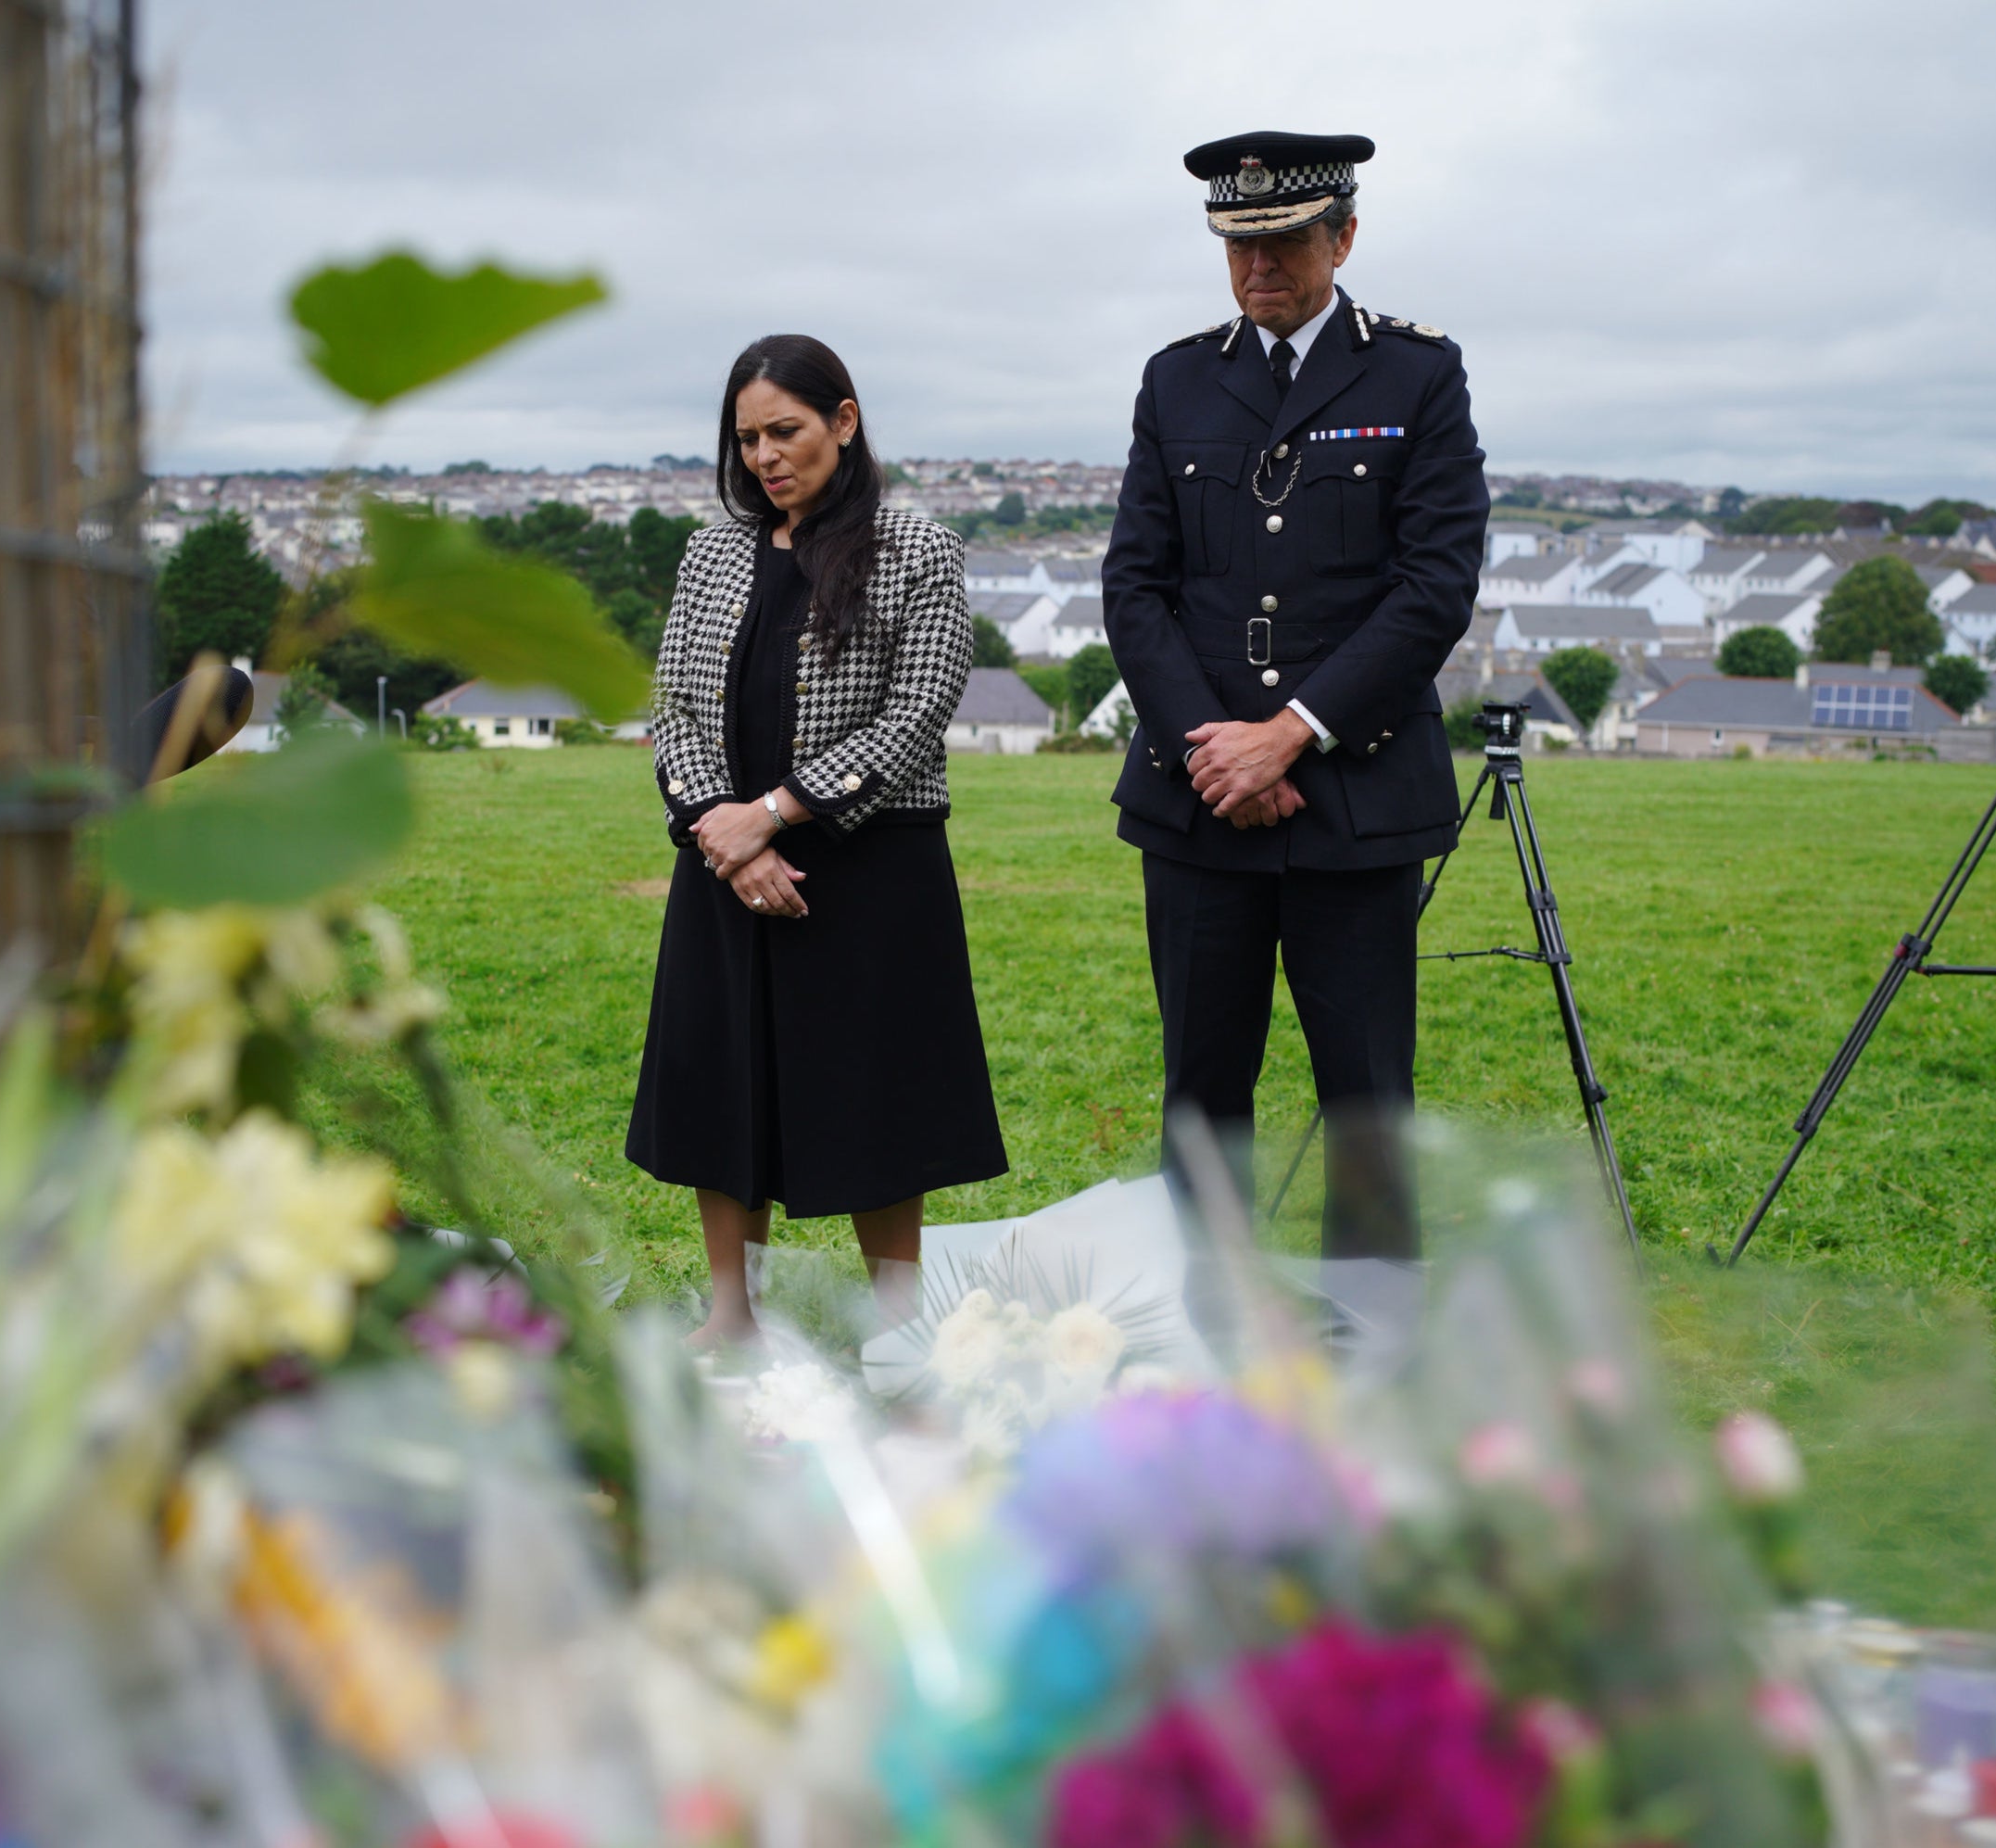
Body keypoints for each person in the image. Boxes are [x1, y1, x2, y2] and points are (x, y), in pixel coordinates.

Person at [1101, 131, 1488, 1255]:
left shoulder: (1417, 373)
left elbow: (1432, 586)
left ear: (1343, 237)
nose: (1257, 267)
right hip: (1199, 802)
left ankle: (1368, 1355)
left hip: (1351, 802)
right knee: (1199, 1100)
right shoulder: (1176, 378)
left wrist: (1287, 737)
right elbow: (1134, 586)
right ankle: (1202, 1331)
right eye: (1237, 245)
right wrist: (1213, 748)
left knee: (1366, 1102)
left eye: (1281, 242)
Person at [627, 334, 1007, 1347]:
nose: (763, 456)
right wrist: (728, 835)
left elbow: (919, 708)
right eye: (746, 437)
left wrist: (779, 811)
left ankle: (893, 1325)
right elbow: (673, 709)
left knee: (874, 1097)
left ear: (843, 421)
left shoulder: (916, 546)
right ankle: (731, 1315)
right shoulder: (711, 552)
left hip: (870, 866)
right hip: (725, 867)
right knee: (723, 1092)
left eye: (784, 430)